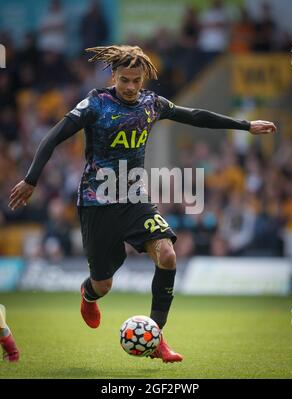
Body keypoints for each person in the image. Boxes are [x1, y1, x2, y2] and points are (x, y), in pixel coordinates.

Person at [8, 45, 276, 363]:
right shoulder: (95, 103)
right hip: (98, 202)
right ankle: (88, 293)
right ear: (114, 76)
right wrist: (31, 179)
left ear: (143, 78)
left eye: (137, 80)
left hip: (135, 199)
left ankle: (157, 336)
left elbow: (194, 116)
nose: (131, 87)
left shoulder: (152, 103)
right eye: (125, 80)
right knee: (103, 283)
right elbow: (52, 137)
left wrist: (245, 125)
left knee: (167, 255)